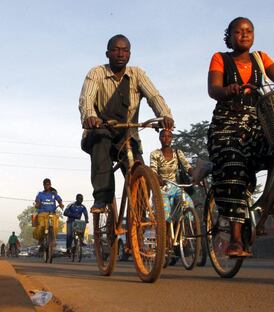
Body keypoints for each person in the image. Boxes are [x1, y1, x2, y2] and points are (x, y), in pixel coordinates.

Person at [207, 17, 274, 257]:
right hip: (227, 125)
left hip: (258, 124)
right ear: (230, 36)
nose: (244, 35)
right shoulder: (220, 58)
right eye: (239, 31)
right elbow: (213, 88)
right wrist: (227, 90)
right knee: (235, 165)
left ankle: (270, 203)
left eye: (249, 31)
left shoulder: (261, 58)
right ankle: (235, 239)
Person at [79, 34, 174, 213]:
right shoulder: (97, 73)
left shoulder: (137, 74)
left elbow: (154, 96)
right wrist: (90, 116)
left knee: (141, 173)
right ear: (107, 53)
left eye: (125, 50)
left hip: (127, 135)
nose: (120, 54)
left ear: (130, 53)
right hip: (101, 130)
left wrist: (164, 115)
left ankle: (139, 212)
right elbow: (86, 99)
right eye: (116, 50)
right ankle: (102, 198)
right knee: (101, 140)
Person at [150, 129, 194, 222]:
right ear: (159, 138)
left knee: (188, 203)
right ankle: (165, 233)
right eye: (163, 136)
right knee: (165, 213)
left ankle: (192, 227)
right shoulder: (155, 154)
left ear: (172, 139)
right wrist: (158, 178)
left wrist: (196, 176)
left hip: (175, 187)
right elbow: (153, 170)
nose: (166, 139)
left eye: (169, 136)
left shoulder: (178, 153)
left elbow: (187, 167)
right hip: (161, 188)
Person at [33, 178, 64, 250]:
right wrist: (37, 204)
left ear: (50, 185)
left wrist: (61, 204)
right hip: (42, 214)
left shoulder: (54, 193)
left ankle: (53, 240)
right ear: (43, 185)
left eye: (48, 184)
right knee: (41, 226)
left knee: (55, 227)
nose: (47, 186)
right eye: (46, 184)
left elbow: (59, 199)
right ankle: (40, 239)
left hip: (52, 214)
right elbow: (37, 202)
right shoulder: (40, 194)